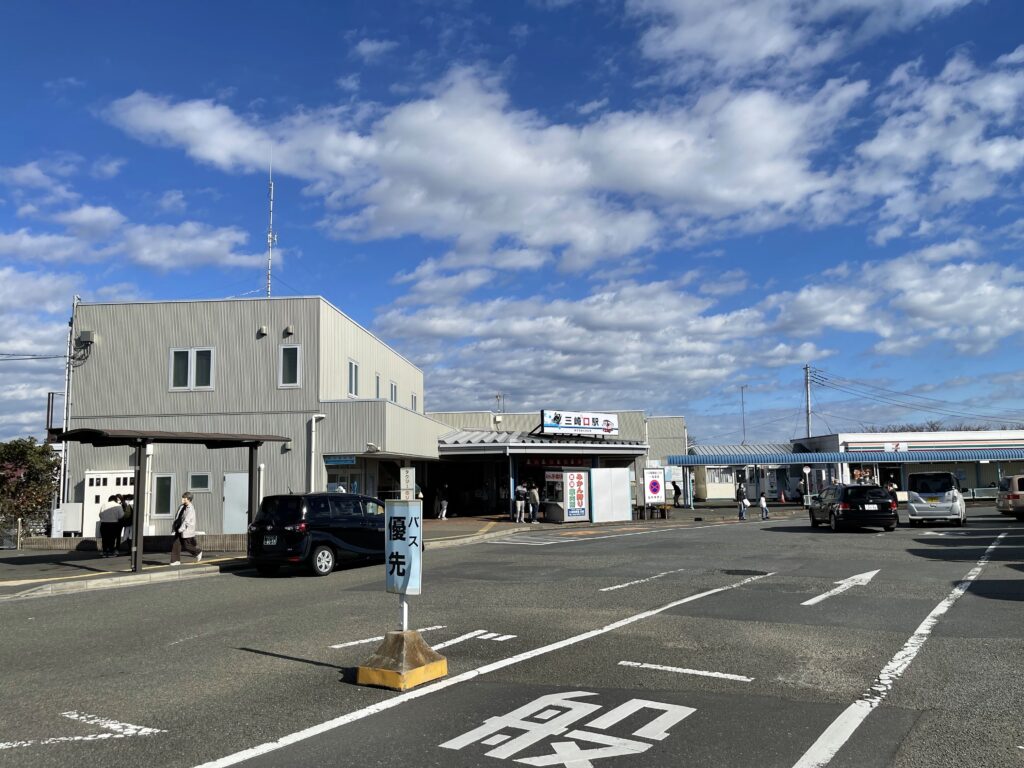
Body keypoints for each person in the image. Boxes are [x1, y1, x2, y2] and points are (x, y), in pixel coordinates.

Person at [170, 492, 203, 565]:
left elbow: (187, 521)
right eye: (182, 498)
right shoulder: (181, 506)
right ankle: (175, 561)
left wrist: (181, 529)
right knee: (176, 544)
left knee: (186, 545)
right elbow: (177, 517)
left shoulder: (190, 509)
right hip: (179, 527)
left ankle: (198, 551)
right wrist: (174, 527)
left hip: (185, 529)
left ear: (189, 499)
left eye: (184, 499)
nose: (182, 500)